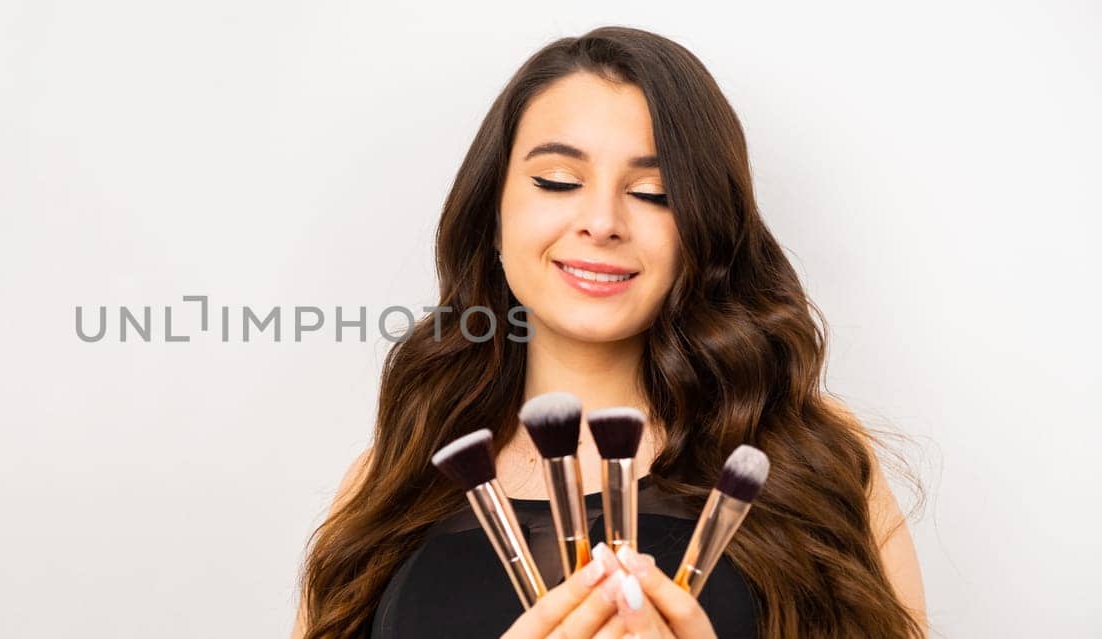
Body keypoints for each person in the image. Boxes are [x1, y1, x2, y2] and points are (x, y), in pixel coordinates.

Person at [291, 27, 927, 638]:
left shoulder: (813, 461)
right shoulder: (394, 474)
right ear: (492, 213)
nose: (602, 221)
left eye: (654, 193)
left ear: (707, 230)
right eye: (558, 182)